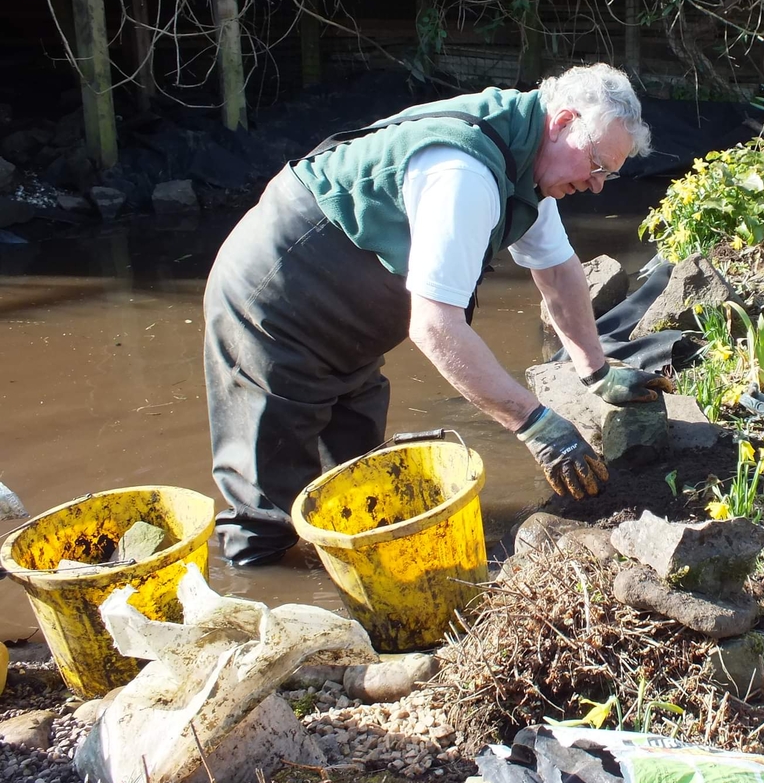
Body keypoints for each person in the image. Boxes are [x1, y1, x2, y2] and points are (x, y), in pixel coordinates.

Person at [203, 63, 673, 566]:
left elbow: (558, 272)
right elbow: (433, 326)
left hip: (347, 321)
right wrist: (535, 425)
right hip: (274, 302)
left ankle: (352, 581)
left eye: (608, 174)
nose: (598, 185)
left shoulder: (528, 160)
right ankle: (255, 589)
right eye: (596, 164)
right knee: (267, 502)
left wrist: (597, 372)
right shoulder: (464, 173)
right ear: (561, 123)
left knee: (360, 481)